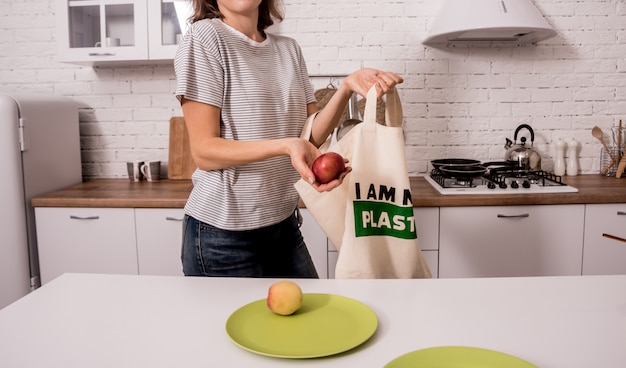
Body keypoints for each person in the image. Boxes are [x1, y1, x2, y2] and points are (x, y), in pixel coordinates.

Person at [174, 0, 404, 278]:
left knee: (310, 319)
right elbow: (204, 151)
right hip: (223, 234)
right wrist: (286, 145)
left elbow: (310, 135)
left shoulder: (288, 50)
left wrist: (345, 88)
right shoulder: (204, 38)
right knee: (232, 323)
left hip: (282, 224)